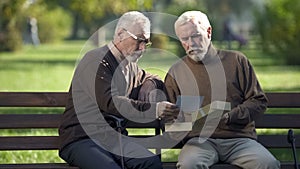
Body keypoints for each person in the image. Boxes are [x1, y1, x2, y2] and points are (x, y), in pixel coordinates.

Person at [59, 11, 179, 169]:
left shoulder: (130, 65)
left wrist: (150, 82)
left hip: (113, 139)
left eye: (146, 43)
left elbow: (154, 77)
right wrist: (154, 109)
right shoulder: (95, 60)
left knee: (150, 162)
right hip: (81, 139)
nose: (142, 48)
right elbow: (111, 102)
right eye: (139, 40)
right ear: (121, 34)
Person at [164, 11, 280, 169]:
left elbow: (258, 101)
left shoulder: (236, 61)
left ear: (209, 32)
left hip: (239, 140)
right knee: (188, 165)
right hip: (199, 143)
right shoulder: (177, 71)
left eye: (196, 36)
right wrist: (178, 122)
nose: (191, 43)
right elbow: (172, 121)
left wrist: (230, 117)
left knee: (269, 164)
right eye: (184, 39)